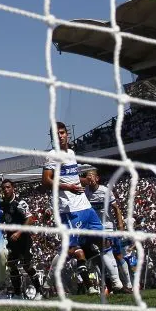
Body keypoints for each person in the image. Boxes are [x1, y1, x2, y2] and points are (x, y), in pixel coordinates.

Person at [42, 122, 102, 294]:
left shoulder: (71, 153)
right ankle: (52, 284)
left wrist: (86, 181)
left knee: (102, 239)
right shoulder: (52, 155)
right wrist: (69, 188)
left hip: (85, 205)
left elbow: (73, 178)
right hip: (69, 209)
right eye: (56, 133)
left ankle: (111, 282)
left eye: (62, 132)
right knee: (72, 250)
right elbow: (46, 181)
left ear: (67, 134)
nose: (60, 136)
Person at [80, 169, 129, 293]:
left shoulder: (105, 191)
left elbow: (116, 208)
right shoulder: (84, 193)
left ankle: (128, 284)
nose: (89, 178)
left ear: (97, 178)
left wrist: (121, 225)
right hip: (95, 228)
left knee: (118, 255)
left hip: (108, 227)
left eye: (91, 176)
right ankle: (111, 286)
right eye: (87, 177)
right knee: (100, 258)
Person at [0, 178, 40, 298]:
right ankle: (17, 294)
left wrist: (18, 232)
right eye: (4, 188)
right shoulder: (2, 204)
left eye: (8, 187)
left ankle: (39, 291)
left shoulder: (20, 203)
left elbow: (30, 219)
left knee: (27, 266)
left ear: (13, 188)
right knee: (11, 265)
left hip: (23, 239)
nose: (6, 190)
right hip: (11, 240)